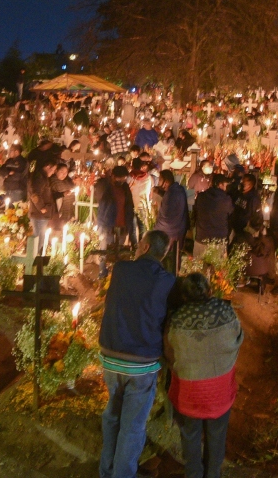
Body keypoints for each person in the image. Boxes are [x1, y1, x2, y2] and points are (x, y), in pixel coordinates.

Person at [99, 230, 176, 478]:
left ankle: (107, 470)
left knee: (113, 414)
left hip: (111, 356)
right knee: (132, 426)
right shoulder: (167, 281)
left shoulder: (121, 270)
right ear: (162, 254)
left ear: (144, 247)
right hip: (142, 362)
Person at [164, 272, 244, 478]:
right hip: (219, 391)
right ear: (209, 291)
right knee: (216, 435)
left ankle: (193, 473)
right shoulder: (225, 311)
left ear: (184, 296)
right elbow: (238, 337)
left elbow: (170, 351)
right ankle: (213, 473)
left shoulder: (177, 318)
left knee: (190, 434)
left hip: (189, 393)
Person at [96, 165, 137, 275]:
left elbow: (129, 205)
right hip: (108, 223)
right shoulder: (106, 187)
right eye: (120, 178)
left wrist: (130, 223)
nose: (122, 180)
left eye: (124, 178)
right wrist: (100, 224)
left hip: (123, 223)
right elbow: (101, 205)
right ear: (113, 176)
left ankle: (116, 275)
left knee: (119, 252)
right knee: (105, 250)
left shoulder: (125, 187)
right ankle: (102, 273)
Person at [193, 174, 234, 256]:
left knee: (198, 267)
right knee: (217, 268)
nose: (225, 188)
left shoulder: (201, 196)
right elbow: (231, 217)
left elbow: (195, 214)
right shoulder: (226, 200)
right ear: (219, 184)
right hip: (219, 241)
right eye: (225, 185)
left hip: (201, 238)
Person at [28, 160, 58, 247]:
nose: (53, 173)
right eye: (53, 170)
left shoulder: (41, 177)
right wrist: (42, 207)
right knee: (39, 238)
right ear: (48, 166)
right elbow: (35, 193)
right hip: (39, 214)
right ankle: (36, 257)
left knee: (40, 237)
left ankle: (37, 256)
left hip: (40, 213)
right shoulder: (40, 178)